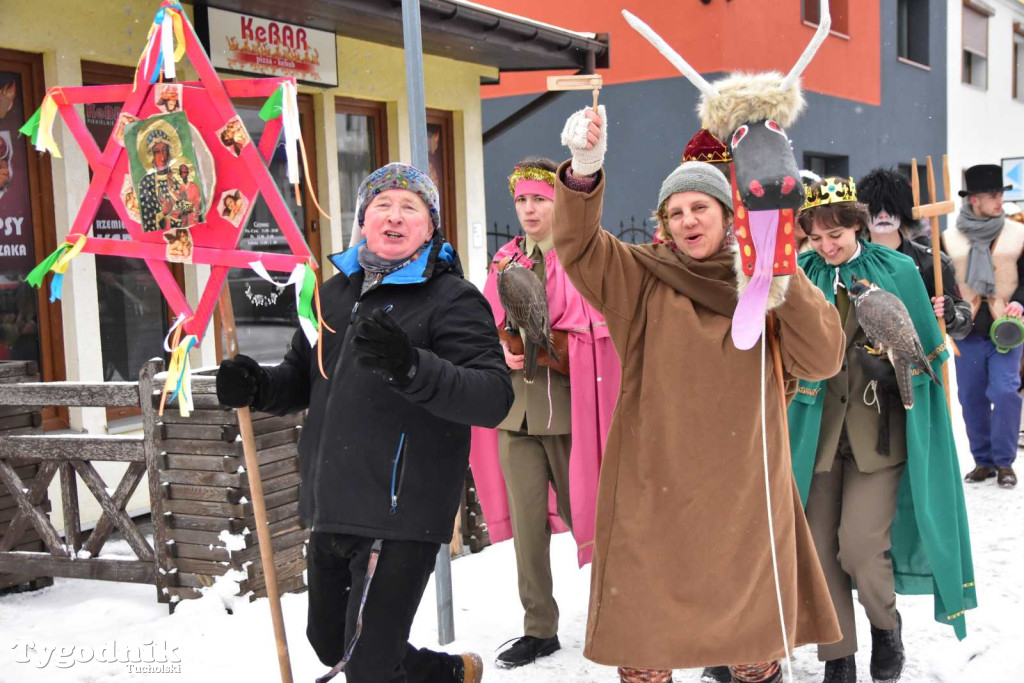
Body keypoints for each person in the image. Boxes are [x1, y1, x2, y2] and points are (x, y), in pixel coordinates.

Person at [554, 106, 844, 683]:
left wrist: (784, 271)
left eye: (700, 208)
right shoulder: (641, 277)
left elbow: (823, 359)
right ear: (663, 223)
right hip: (651, 495)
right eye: (676, 212)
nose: (688, 221)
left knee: (753, 655)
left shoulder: (767, 281)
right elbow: (581, 250)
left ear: (729, 214)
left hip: (745, 496)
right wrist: (584, 170)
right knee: (644, 655)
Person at [215, 163, 512, 683]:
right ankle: (447, 674)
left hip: (399, 509)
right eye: (382, 205)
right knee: (331, 643)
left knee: (368, 666)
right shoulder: (331, 294)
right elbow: (303, 379)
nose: (394, 217)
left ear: (430, 225)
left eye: (410, 208)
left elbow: (491, 397)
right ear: (363, 218)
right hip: (331, 501)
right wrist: (258, 387)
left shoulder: (453, 299)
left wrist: (412, 367)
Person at [790, 177, 976, 683]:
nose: (827, 246)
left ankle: (884, 626)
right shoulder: (798, 276)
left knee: (861, 546)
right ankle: (838, 655)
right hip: (817, 436)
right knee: (818, 545)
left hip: (879, 436)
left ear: (858, 225)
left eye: (837, 233)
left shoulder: (897, 270)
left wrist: (907, 357)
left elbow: (928, 353)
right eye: (816, 237)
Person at [468, 157, 620, 669]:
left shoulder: (583, 258)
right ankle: (539, 628)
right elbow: (483, 327)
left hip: (573, 414)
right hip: (516, 414)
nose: (530, 209)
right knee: (528, 528)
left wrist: (549, 343)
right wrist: (503, 349)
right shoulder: (504, 259)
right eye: (522, 201)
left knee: (592, 519)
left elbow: (601, 332)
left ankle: (619, 613)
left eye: (540, 198)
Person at [942, 164, 1024, 488]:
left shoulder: (1019, 233)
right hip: (966, 331)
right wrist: (946, 305)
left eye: (1001, 194)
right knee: (971, 396)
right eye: (992, 195)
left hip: (1007, 328)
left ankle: (1004, 462)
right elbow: (941, 282)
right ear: (973, 199)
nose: (999, 201)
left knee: (1005, 392)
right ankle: (983, 461)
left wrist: (1020, 300)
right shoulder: (948, 238)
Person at [858, 168, 972, 340]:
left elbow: (962, 326)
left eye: (891, 207)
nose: (883, 215)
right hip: (867, 360)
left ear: (903, 210)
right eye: (875, 208)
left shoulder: (932, 263)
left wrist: (950, 315)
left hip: (921, 359)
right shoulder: (852, 263)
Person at [137, 129, 182, 232]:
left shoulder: (177, 177)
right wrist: (163, 213)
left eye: (165, 150)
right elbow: (148, 224)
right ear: (150, 156)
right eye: (157, 152)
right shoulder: (146, 183)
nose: (162, 157)